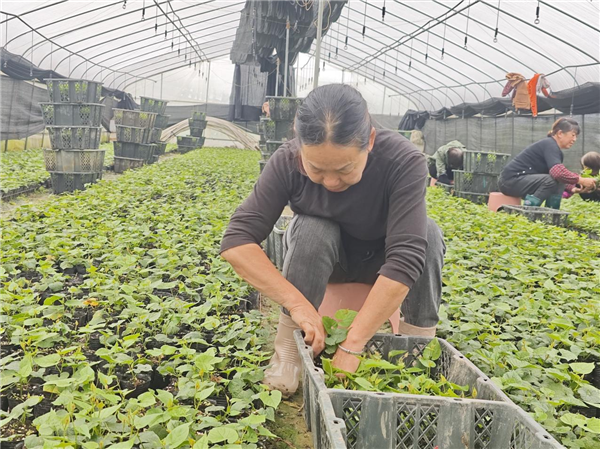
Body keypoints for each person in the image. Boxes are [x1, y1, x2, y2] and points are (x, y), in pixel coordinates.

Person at [220, 84, 445, 396]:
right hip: (325, 262)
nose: (330, 181)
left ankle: (417, 351)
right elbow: (236, 242)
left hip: (383, 264)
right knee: (312, 227)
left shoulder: (403, 160)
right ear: (299, 143)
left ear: (369, 141)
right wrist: (296, 303)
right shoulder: (286, 162)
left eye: (344, 169)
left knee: (428, 234)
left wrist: (352, 344)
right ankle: (288, 353)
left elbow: (405, 258)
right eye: (315, 168)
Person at [499, 118, 597, 209]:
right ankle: (529, 211)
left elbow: (558, 175)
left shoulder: (554, 149)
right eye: (573, 135)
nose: (574, 139)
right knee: (552, 179)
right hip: (510, 181)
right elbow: (558, 173)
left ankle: (552, 213)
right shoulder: (550, 145)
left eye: (576, 136)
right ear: (560, 133)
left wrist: (573, 189)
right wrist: (581, 180)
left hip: (520, 181)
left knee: (558, 179)